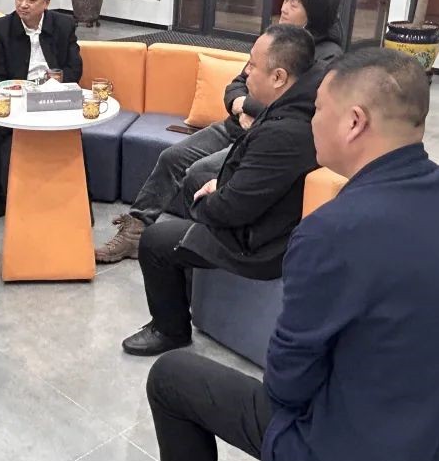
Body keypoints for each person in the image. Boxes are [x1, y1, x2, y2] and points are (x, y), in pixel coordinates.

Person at [145, 48, 439, 461]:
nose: (312, 122)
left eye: (318, 109)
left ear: (354, 122)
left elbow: (287, 385)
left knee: (172, 377)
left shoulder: (333, 231)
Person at [96, 0, 343, 264]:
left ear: (314, 13)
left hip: (262, 139)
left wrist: (250, 107)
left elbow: (300, 109)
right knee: (172, 157)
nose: (284, 6)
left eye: (294, 3)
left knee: (198, 172)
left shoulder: (327, 60)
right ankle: (136, 231)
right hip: (235, 125)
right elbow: (237, 84)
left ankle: (196, 246)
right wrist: (240, 106)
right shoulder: (274, 41)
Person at [121, 24, 323, 356]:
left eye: (253, 65)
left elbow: (231, 210)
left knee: (156, 241)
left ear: (279, 77)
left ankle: (169, 330)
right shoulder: (305, 100)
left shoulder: (284, 134)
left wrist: (206, 202)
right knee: (195, 179)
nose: (246, 71)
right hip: (268, 219)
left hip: (261, 244)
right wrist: (224, 186)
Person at [0, 0, 83, 229]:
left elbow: (75, 70)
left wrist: (56, 79)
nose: (23, 4)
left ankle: (78, 202)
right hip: (16, 103)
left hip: (52, 101)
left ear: (46, 3)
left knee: (73, 130)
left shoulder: (64, 26)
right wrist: (21, 89)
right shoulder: (2, 28)